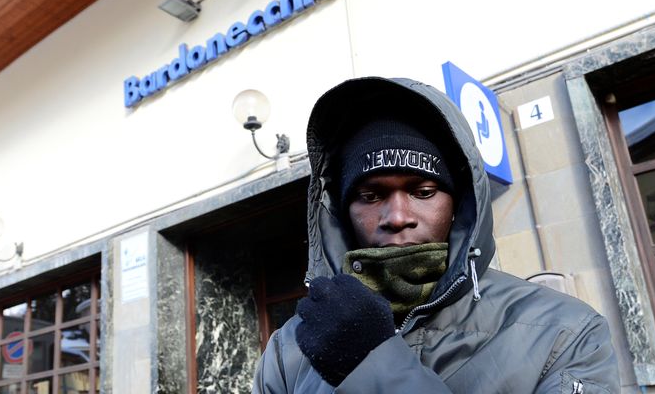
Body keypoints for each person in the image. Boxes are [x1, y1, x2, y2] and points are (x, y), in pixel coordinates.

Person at [252, 77, 619, 393]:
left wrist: (372, 367)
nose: (397, 217)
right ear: (343, 214)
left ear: (458, 203)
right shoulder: (288, 349)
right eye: (370, 195)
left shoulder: (566, 333)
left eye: (423, 191)